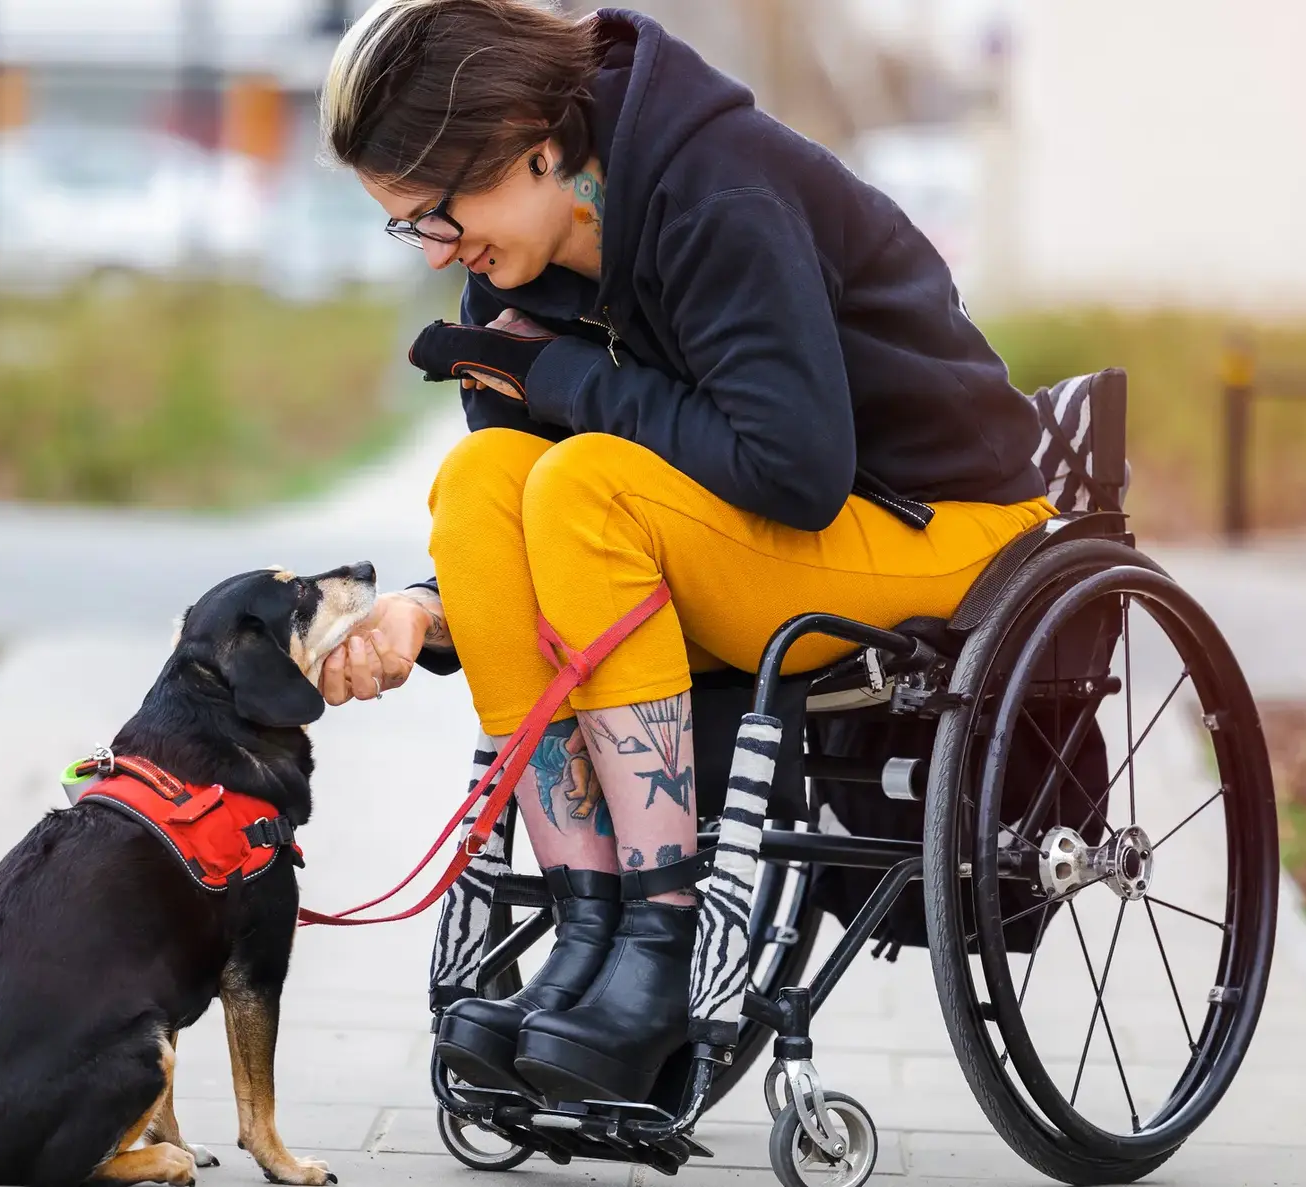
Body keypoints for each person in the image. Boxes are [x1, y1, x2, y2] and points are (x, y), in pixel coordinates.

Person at [313, 0, 1054, 1106]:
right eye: (406, 225)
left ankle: (663, 942)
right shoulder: (512, 260)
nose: (434, 253)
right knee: (481, 481)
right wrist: (424, 610)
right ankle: (588, 921)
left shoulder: (717, 190)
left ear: (529, 138)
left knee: (581, 480)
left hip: (929, 518)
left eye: (436, 211)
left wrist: (561, 379)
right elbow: (516, 520)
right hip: (759, 533)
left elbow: (792, 467)